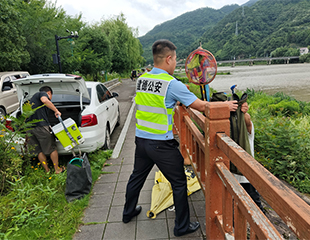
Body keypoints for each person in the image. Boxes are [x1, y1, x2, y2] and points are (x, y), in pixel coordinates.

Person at [122, 39, 238, 237]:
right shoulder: (171, 83)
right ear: (168, 59)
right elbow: (201, 106)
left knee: (136, 177)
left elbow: (159, 98)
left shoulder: (142, 78)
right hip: (161, 144)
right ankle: (181, 226)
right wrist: (225, 106)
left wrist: (178, 91)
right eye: (175, 59)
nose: (176, 63)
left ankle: (128, 212)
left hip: (141, 140)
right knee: (179, 183)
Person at [27, 86, 64, 174]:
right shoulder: (41, 94)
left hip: (29, 128)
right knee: (52, 148)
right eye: (50, 97)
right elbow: (45, 100)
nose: (50, 100)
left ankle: (47, 171)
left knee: (39, 150)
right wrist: (56, 110)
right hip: (40, 127)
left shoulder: (32, 100)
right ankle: (57, 170)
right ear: (49, 93)